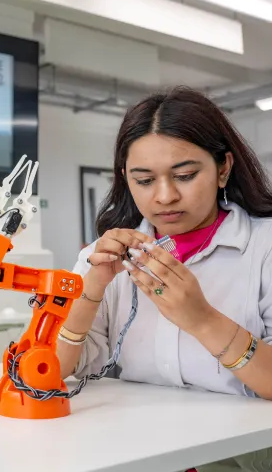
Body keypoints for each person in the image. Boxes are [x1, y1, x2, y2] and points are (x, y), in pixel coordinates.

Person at [57, 87, 272, 472]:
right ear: (125, 178)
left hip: (242, 455)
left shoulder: (264, 246)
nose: (165, 196)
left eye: (185, 175)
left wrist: (202, 319)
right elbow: (50, 374)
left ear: (223, 167)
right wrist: (90, 290)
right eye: (143, 180)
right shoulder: (103, 257)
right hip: (133, 449)